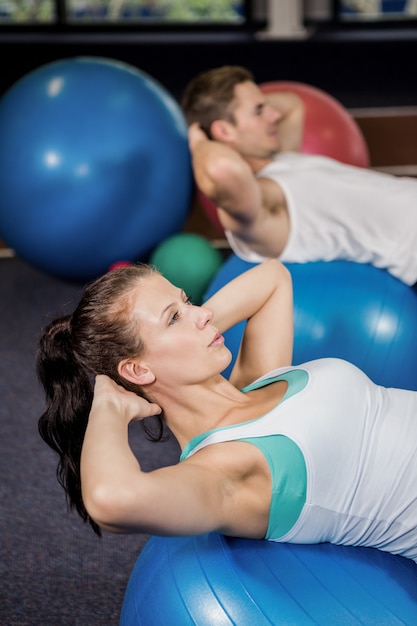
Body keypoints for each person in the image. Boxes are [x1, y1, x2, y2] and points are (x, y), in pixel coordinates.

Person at [37, 259, 417, 564]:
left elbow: (272, 277)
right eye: (173, 317)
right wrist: (108, 404)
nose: (201, 313)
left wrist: (192, 327)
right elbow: (110, 499)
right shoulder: (226, 469)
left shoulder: (256, 379)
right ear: (138, 370)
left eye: (186, 301)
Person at [181, 65, 417, 289]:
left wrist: (249, 100)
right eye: (259, 111)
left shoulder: (282, 160)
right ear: (224, 130)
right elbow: (222, 169)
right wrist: (197, 139)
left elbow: (292, 105)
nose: (273, 115)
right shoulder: (266, 204)